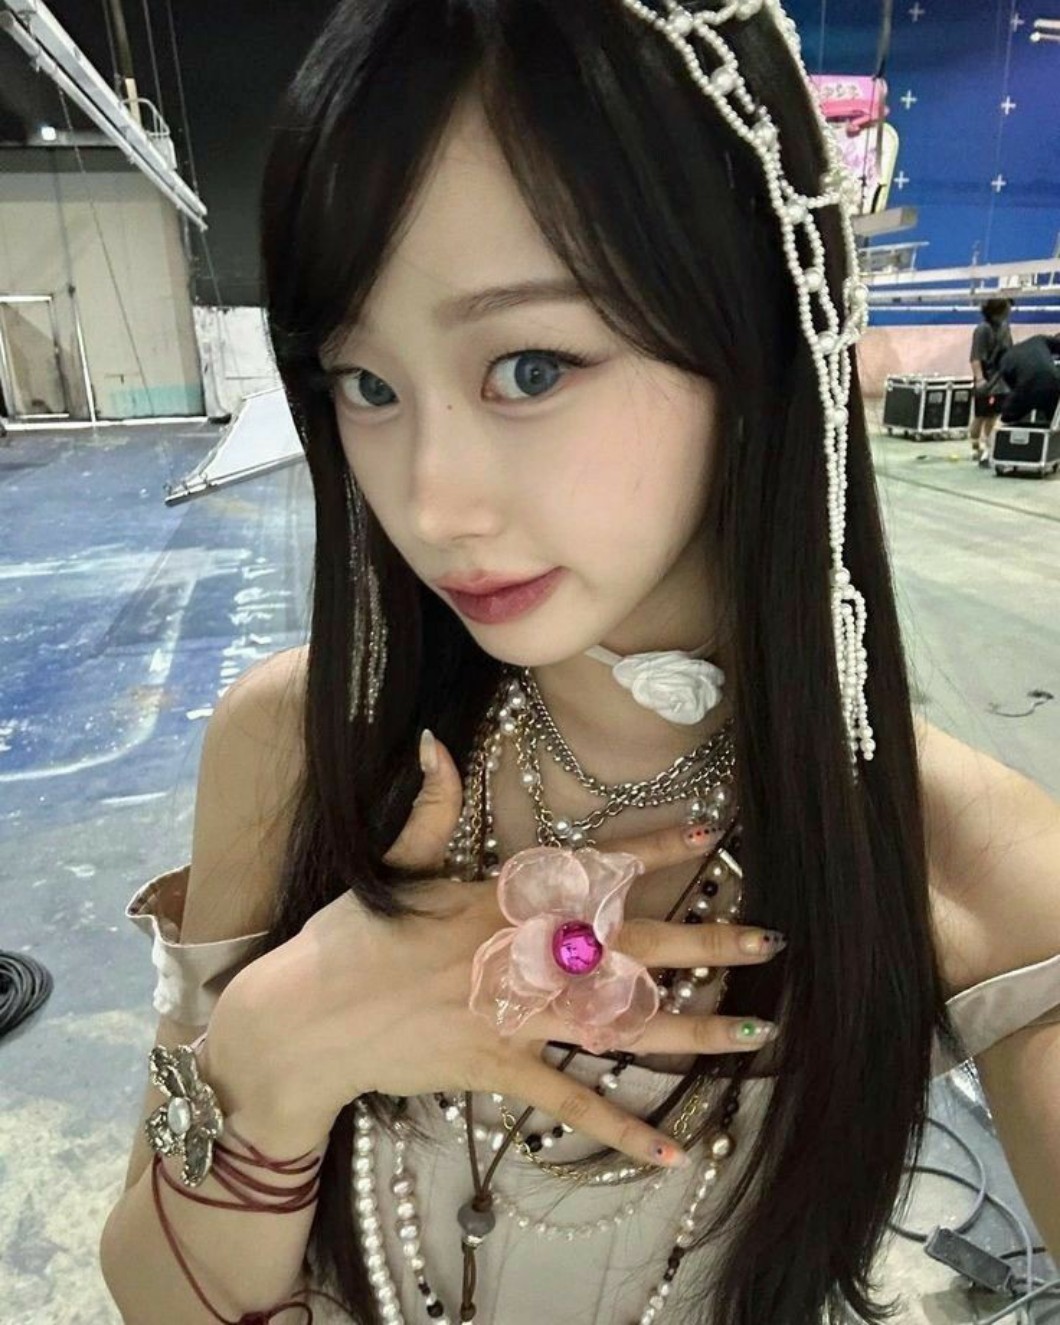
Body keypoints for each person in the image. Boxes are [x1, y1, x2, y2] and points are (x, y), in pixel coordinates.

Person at [99, 3, 1060, 1323]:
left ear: (759, 335)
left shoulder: (959, 864)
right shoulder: (298, 748)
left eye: (531, 366)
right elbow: (156, 1293)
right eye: (366, 385)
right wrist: (276, 1047)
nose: (430, 499)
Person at [968, 297, 1013, 464]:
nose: (1009, 311)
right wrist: (979, 379)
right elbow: (975, 357)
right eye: (1006, 308)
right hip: (986, 377)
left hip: (1000, 379)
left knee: (993, 415)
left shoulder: (1005, 327)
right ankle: (975, 447)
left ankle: (988, 446)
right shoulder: (982, 330)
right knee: (981, 415)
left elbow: (1009, 350)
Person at [998, 333, 1060, 427]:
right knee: (1052, 417)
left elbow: (1013, 386)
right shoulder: (1038, 339)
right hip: (1054, 381)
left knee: (1006, 415)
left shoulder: (1004, 361)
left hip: (1027, 387)